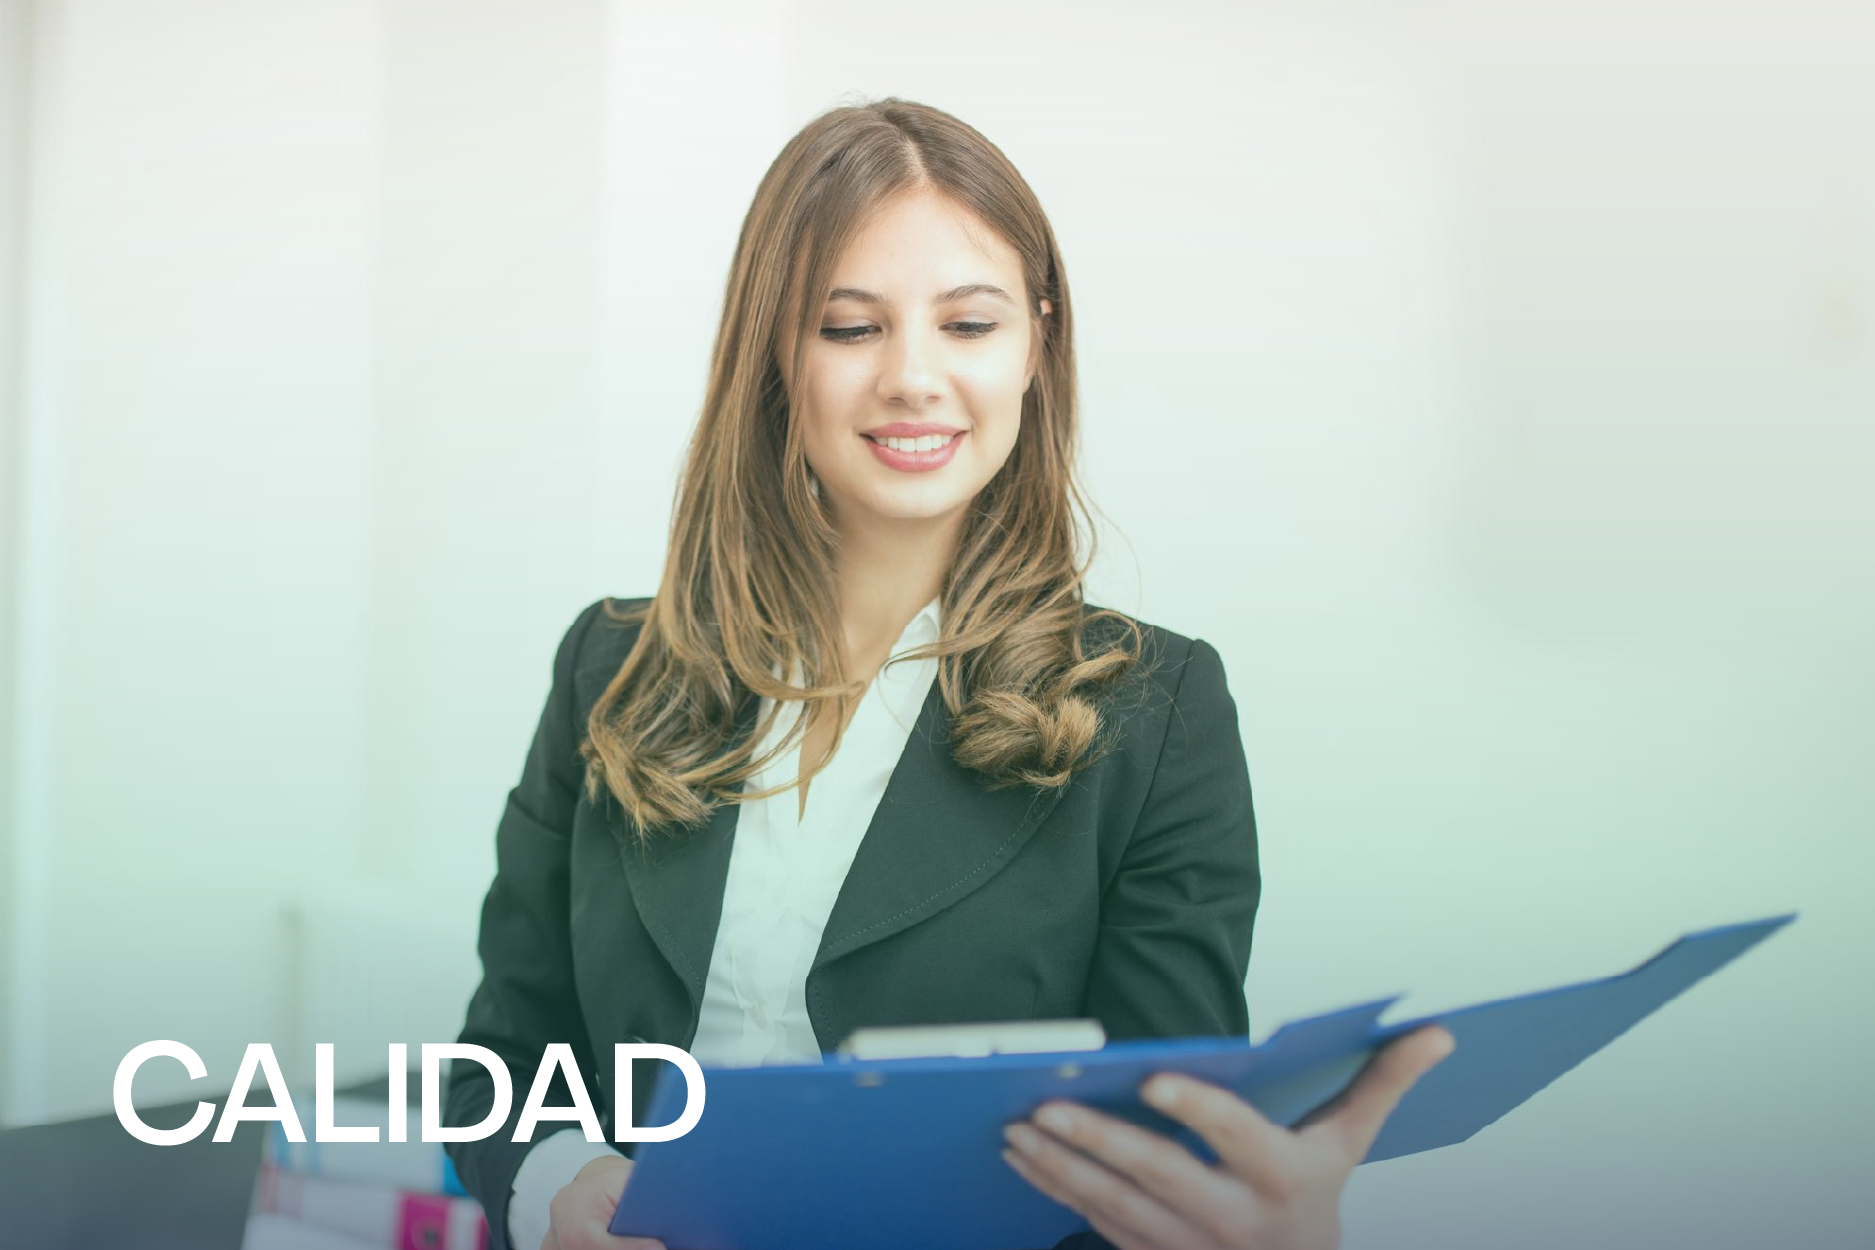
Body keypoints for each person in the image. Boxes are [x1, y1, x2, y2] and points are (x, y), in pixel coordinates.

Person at [442, 97, 1451, 1250]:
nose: (913, 378)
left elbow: (1159, 1160)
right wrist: (555, 1184)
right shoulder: (610, 665)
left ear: (1036, 343)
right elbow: (500, 1060)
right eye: (849, 327)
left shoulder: (1156, 713)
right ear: (776, 350)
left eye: (968, 323)